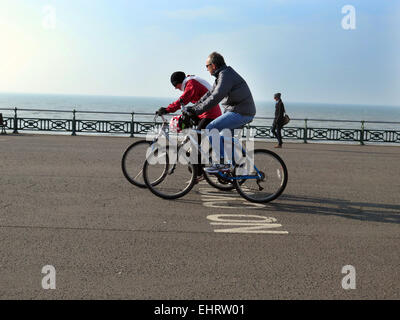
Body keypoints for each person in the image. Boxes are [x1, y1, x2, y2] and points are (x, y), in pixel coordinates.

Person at [185, 52, 256, 173]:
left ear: (213, 65)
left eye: (207, 66)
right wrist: (193, 107)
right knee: (224, 139)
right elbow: (208, 95)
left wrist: (196, 111)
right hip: (239, 111)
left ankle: (223, 163)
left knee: (211, 128)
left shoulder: (226, 75)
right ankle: (235, 168)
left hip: (241, 112)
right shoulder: (221, 76)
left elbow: (216, 97)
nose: (206, 69)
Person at [156, 71, 222, 180]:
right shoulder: (191, 81)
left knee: (196, 143)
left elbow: (184, 99)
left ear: (178, 82)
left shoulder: (191, 83)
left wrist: (167, 109)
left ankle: (199, 174)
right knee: (191, 134)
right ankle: (195, 159)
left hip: (210, 114)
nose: (176, 88)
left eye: (175, 85)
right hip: (204, 113)